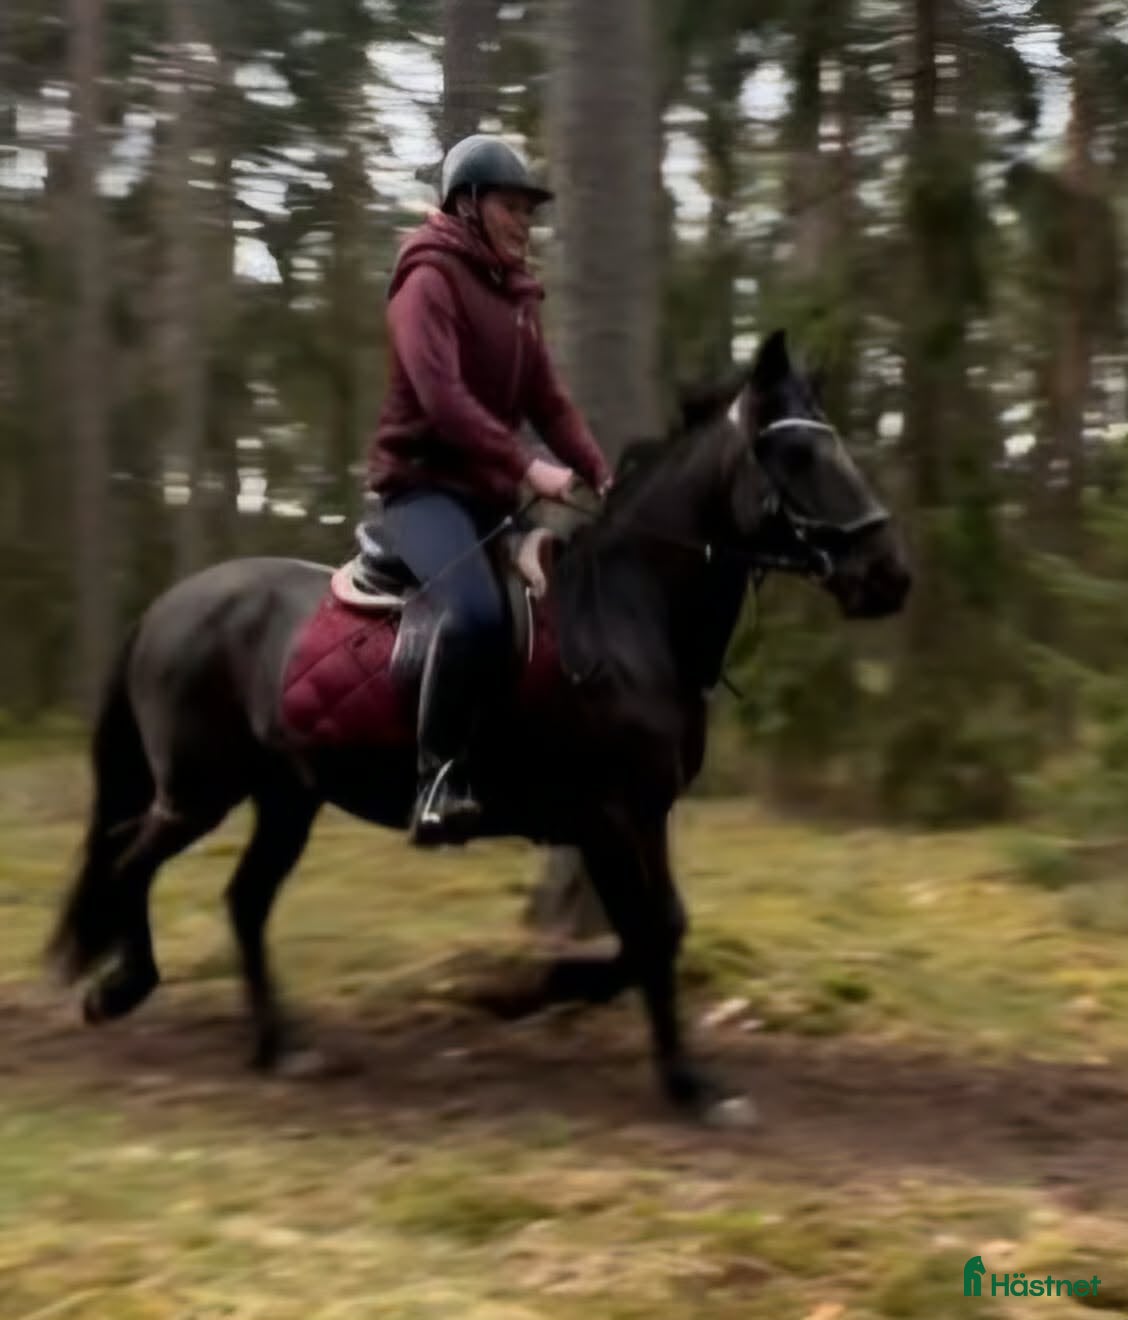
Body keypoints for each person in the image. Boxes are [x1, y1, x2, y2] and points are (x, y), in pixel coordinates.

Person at [365, 134, 612, 847]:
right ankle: (436, 778)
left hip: (487, 499)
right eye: (511, 207)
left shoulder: (517, 298)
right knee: (474, 614)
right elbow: (440, 397)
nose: (523, 223)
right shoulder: (427, 280)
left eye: (529, 212)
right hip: (421, 493)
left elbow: (551, 403)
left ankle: (525, 779)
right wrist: (528, 469)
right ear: (467, 205)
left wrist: (601, 471)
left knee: (553, 618)